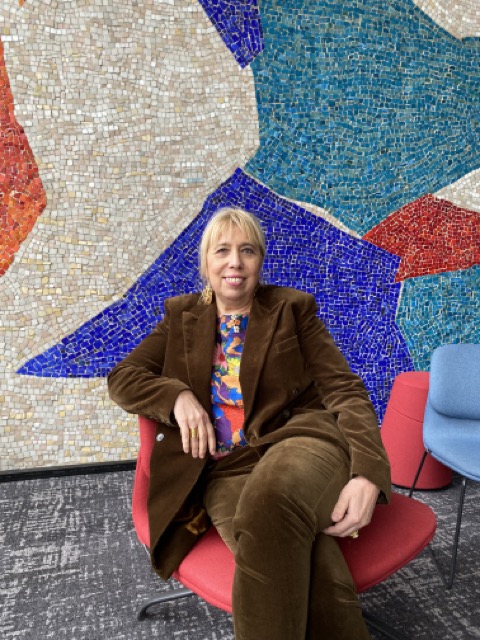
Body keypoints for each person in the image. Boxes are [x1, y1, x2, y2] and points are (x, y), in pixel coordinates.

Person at [107, 207, 391, 639]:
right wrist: (176, 396)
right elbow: (122, 378)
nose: (235, 262)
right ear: (205, 263)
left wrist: (368, 472)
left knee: (269, 502)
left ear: (260, 260)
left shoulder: (292, 309)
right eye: (222, 250)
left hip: (300, 442)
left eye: (247, 251)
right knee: (308, 560)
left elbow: (344, 390)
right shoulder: (180, 317)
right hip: (226, 469)